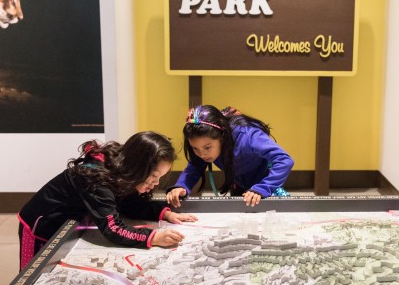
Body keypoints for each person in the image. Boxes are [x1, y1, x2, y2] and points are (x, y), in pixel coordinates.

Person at [18, 131, 197, 270]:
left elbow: (128, 203)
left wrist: (164, 213)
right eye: (153, 175)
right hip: (41, 227)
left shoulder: (122, 168)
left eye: (160, 177)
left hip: (69, 227)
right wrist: (154, 237)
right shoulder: (96, 179)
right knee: (32, 280)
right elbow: (113, 228)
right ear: (138, 167)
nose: (156, 183)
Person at [166, 105, 294, 208]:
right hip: (238, 184)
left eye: (207, 147)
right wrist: (181, 186)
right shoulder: (205, 146)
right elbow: (194, 167)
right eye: (195, 148)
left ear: (223, 137)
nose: (202, 154)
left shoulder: (248, 136)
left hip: (265, 184)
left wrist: (262, 188)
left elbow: (284, 160)